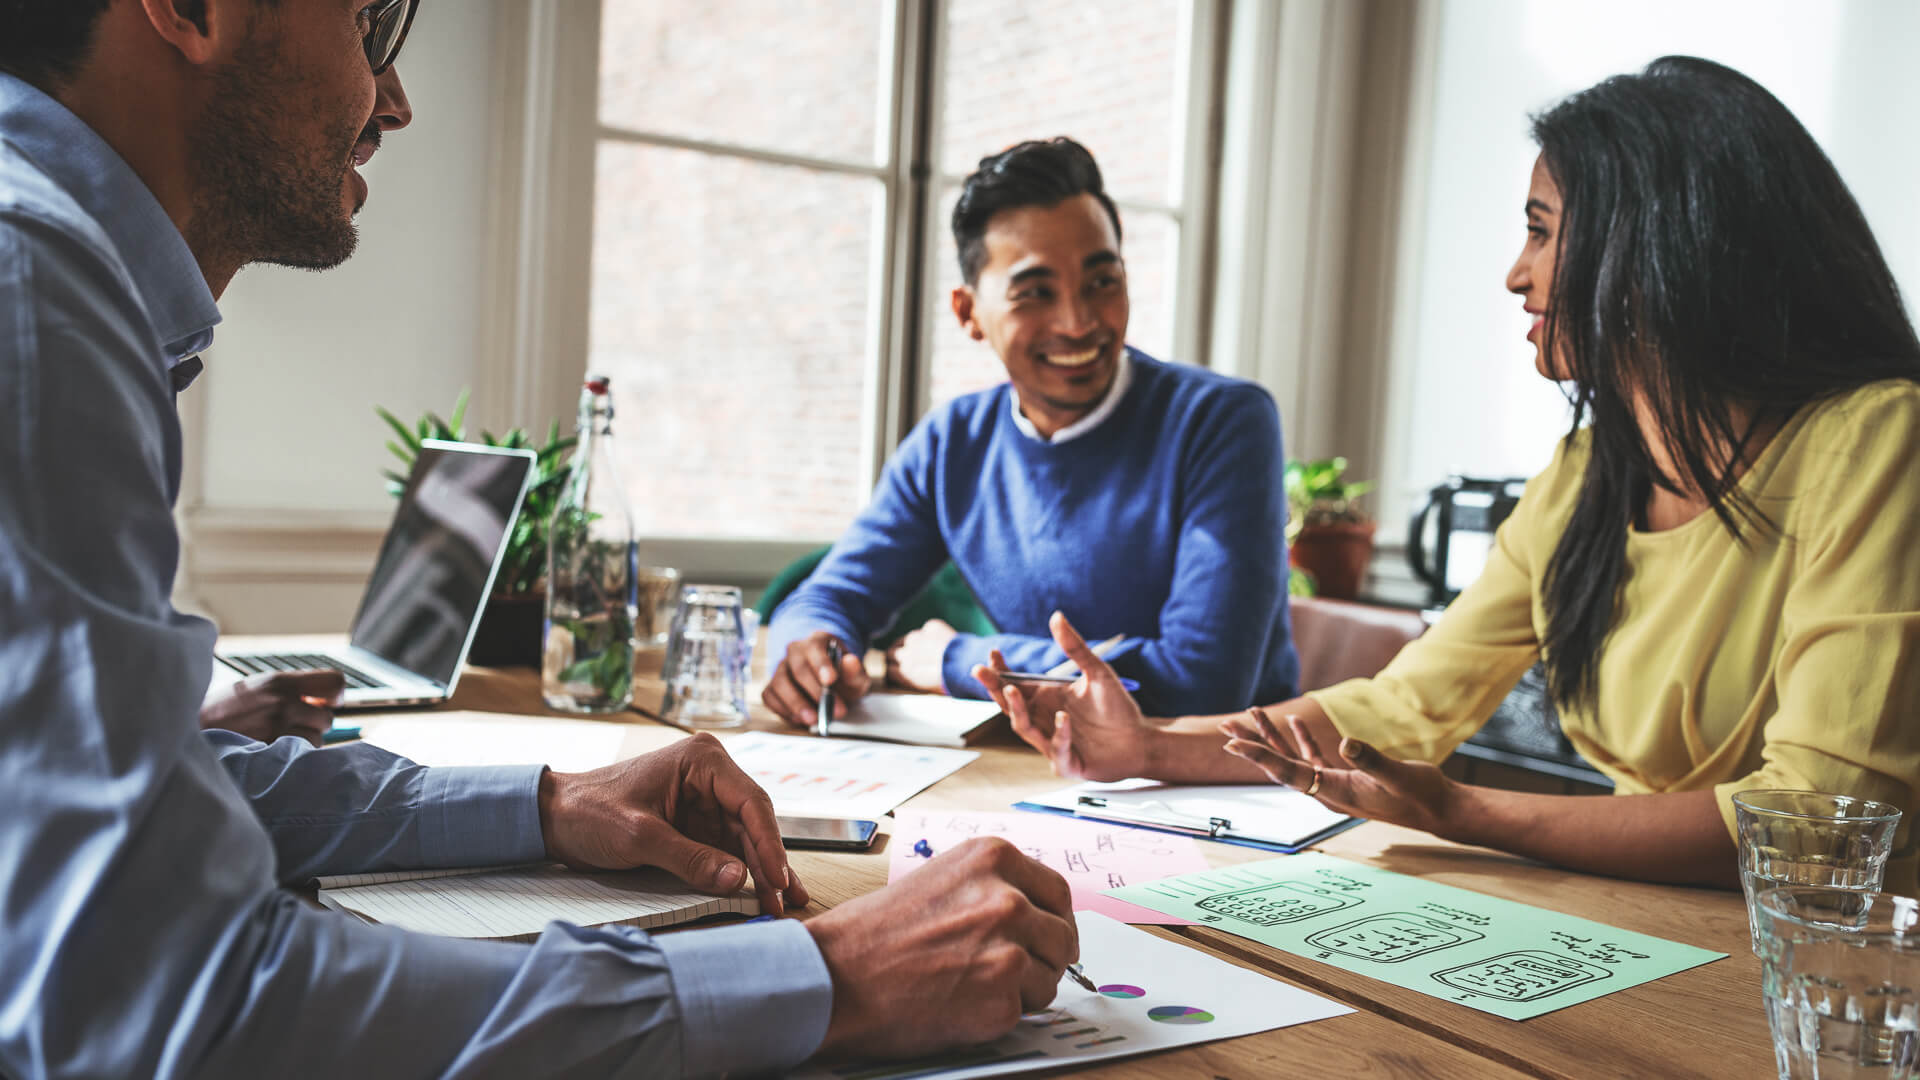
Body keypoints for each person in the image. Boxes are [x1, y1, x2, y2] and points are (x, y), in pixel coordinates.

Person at [0, 2, 1077, 1076]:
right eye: (370, 22)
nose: (396, 100)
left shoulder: (54, 274)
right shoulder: (34, 296)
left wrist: (546, 804)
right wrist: (825, 979)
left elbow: (175, 788)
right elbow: (163, 1000)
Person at [978, 56, 1920, 893]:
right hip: (1657, 926)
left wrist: (1468, 813)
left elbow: (1819, 818)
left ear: (1661, 243)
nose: (1518, 274)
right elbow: (1402, 705)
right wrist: (1151, 747)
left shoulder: (1879, 441)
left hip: (1842, 965)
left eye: (1544, 233)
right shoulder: (1586, 473)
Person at [764, 137, 1300, 726]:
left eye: (1102, 281)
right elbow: (826, 597)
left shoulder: (1222, 423)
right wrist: (810, 650)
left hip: (1224, 789)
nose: (1079, 322)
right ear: (968, 312)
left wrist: (957, 659)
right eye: (1035, 293)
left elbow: (1204, 682)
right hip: (1040, 767)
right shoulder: (952, 443)